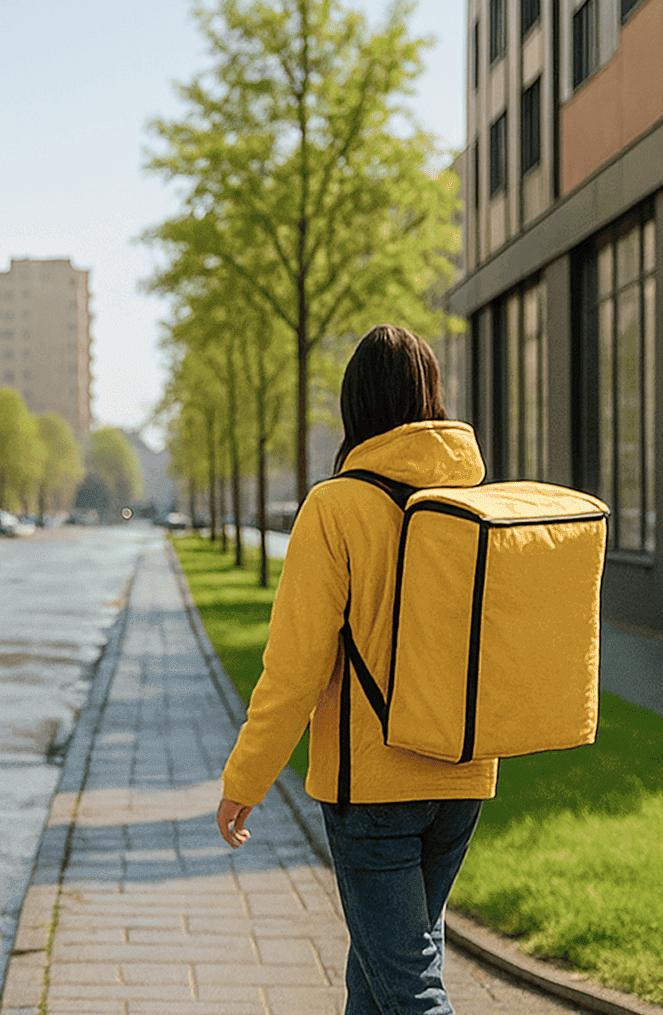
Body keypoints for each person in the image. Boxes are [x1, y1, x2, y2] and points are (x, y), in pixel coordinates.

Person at [215, 324, 493, 1015]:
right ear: (431, 396)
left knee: (409, 989)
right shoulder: (475, 504)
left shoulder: (336, 508)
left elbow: (294, 668)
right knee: (377, 977)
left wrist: (246, 779)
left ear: (354, 406)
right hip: (465, 775)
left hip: (374, 787)